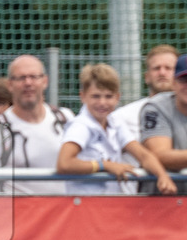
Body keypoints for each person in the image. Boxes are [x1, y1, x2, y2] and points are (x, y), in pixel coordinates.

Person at [56, 63, 174, 196]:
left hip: (110, 201)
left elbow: (143, 155)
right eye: (96, 96)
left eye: (108, 96)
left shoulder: (115, 123)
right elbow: (64, 164)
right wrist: (104, 165)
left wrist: (162, 176)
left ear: (117, 97)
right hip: (84, 202)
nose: (102, 103)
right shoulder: (81, 126)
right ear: (83, 96)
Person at [0, 55, 74, 194]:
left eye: (34, 77)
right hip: (18, 208)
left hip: (66, 207)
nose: (28, 83)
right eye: (21, 78)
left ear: (45, 81)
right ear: (10, 84)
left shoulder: (65, 119)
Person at [140, 53, 187, 195]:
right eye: (184, 80)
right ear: (174, 83)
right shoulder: (156, 108)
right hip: (162, 197)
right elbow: (159, 155)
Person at [111, 44, 178, 142]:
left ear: (179, 75)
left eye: (168, 68)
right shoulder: (122, 117)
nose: (162, 73)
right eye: (156, 68)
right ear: (147, 77)